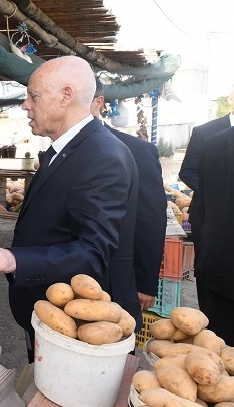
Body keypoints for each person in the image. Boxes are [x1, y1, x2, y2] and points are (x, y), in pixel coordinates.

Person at [0, 56, 139, 362]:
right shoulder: (67, 149)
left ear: (66, 96)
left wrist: (14, 258)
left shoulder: (101, 156)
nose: (26, 105)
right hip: (49, 313)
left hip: (77, 327)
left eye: (34, 96)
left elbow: (93, 253)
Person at [91, 80, 167, 323]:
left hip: (116, 279)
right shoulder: (57, 152)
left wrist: (145, 282)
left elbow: (151, 220)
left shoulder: (136, 150)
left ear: (98, 103)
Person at [178, 85, 233, 309]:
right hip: (208, 217)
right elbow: (187, 171)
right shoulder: (206, 132)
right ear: (231, 98)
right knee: (209, 275)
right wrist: (216, 190)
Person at [190, 126, 234, 344]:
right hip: (219, 270)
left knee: (219, 355)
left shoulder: (214, 143)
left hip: (218, 266)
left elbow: (203, 205)